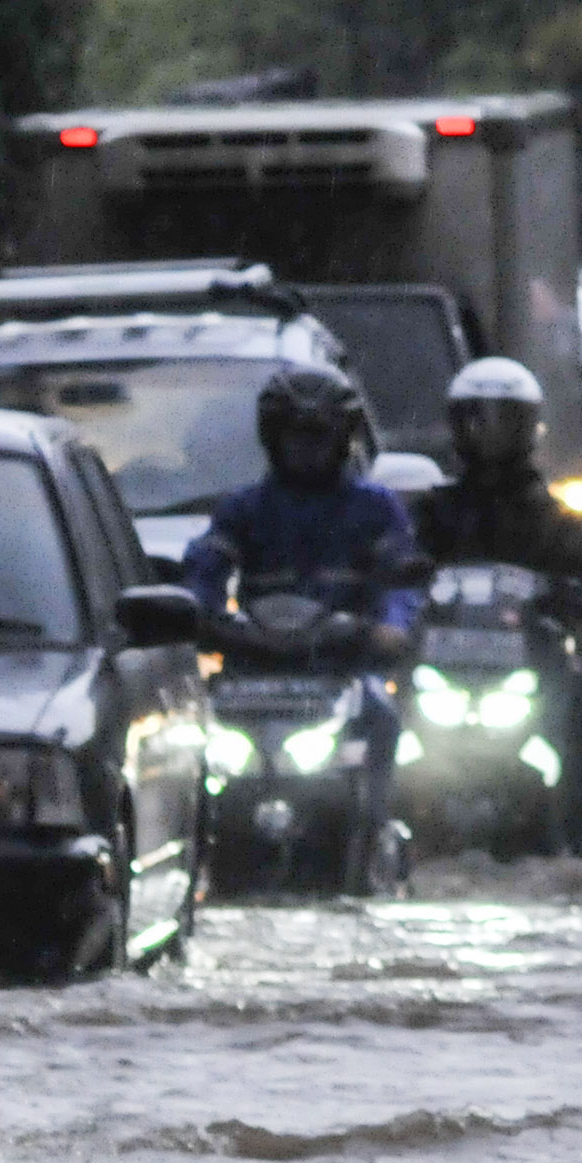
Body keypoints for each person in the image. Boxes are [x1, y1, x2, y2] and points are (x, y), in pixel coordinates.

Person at [185, 365, 427, 854]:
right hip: (252, 667)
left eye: (319, 436)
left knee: (382, 716)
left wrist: (390, 627)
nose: (307, 449)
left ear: (343, 439)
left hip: (345, 665)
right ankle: (202, 839)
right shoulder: (244, 508)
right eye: (295, 436)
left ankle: (372, 830)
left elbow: (403, 579)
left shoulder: (376, 508)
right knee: (189, 736)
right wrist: (197, 616)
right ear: (272, 438)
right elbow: (205, 568)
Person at [408, 355, 582, 844]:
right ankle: (368, 830)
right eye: (477, 420)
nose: (490, 434)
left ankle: (581, 841)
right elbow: (390, 562)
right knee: (373, 722)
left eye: (505, 421)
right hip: (435, 661)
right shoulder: (434, 511)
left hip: (532, 663)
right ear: (458, 426)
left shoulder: (552, 516)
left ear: (529, 428)